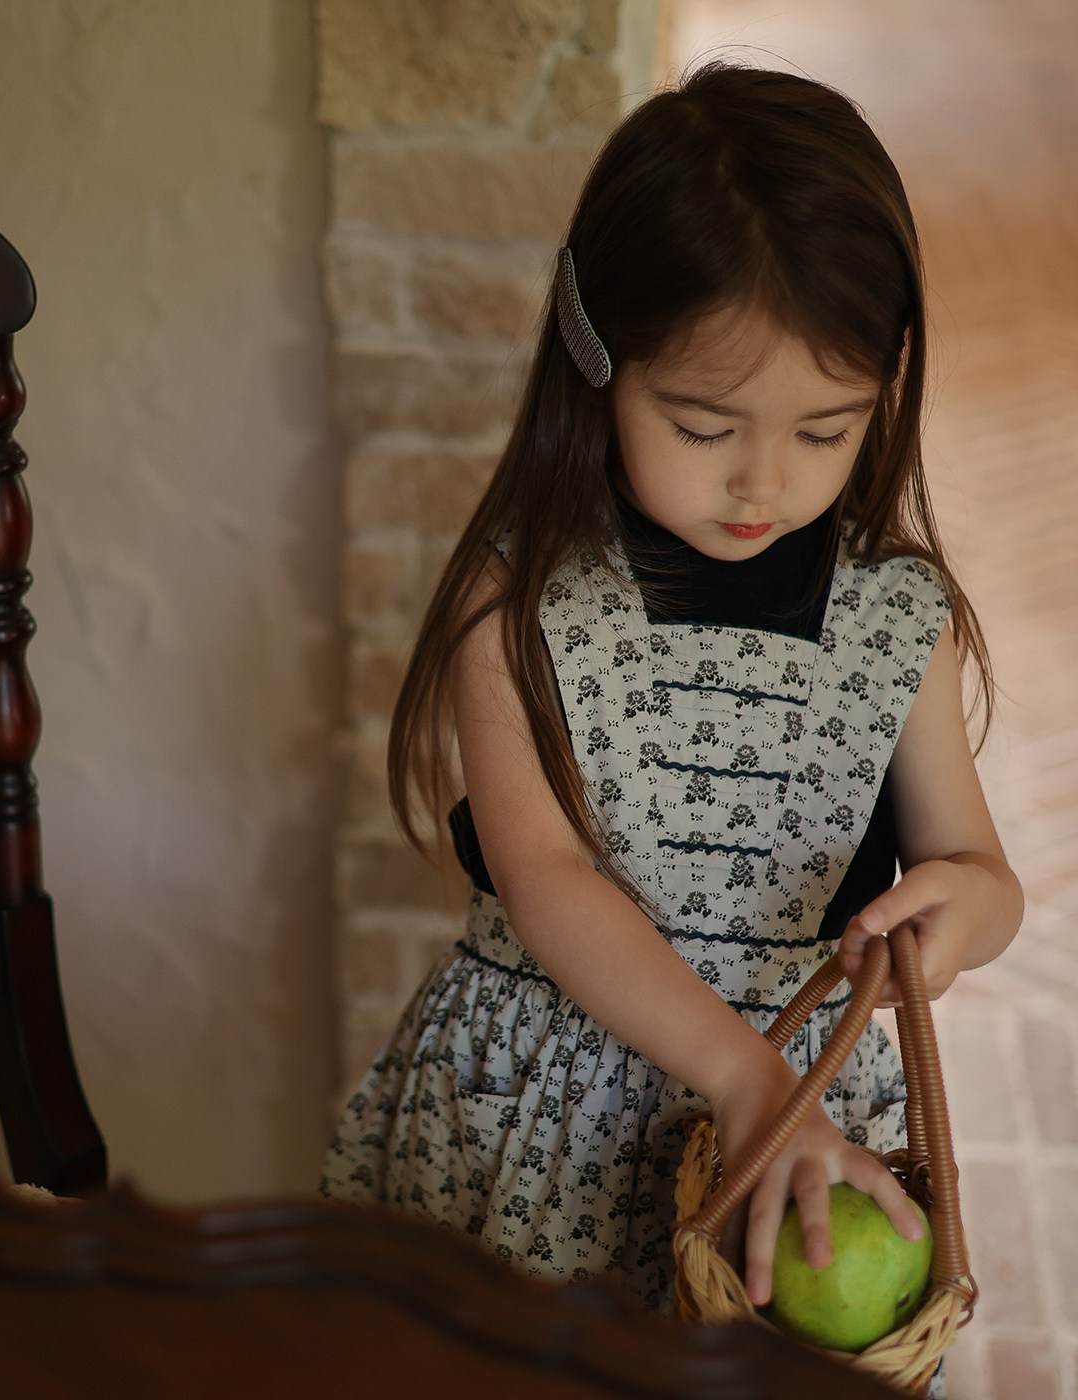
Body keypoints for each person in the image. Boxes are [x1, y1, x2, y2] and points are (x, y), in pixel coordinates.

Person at [319, 61, 1024, 1331]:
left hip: (803, 1120)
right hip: (551, 1117)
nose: (763, 479)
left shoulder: (892, 615)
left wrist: (958, 912)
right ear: (596, 357)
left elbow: (976, 868)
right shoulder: (516, 598)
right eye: (703, 427)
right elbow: (547, 879)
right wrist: (742, 1080)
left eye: (825, 429)